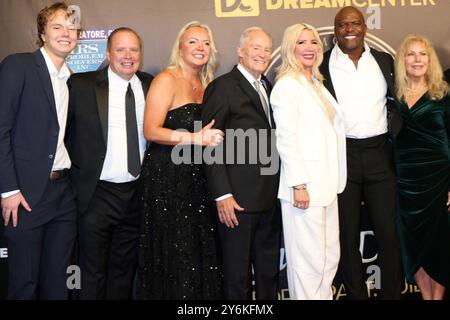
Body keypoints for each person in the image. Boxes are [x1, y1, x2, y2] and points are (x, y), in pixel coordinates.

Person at [319, 6, 403, 299]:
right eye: (342, 25)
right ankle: (355, 295)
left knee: (388, 234)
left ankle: (391, 294)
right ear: (335, 30)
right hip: (343, 157)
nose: (349, 29)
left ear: (364, 27)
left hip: (380, 154)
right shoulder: (322, 65)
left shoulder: (383, 61)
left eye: (355, 23)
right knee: (346, 235)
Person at [136, 21, 224, 300]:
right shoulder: (167, 79)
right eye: (193, 42)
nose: (200, 48)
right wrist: (194, 138)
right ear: (180, 47)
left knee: (200, 252)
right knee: (177, 252)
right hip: (168, 180)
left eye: (206, 43)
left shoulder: (208, 83)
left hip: (199, 179)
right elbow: (151, 130)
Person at [66, 27, 153, 299]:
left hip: (136, 194)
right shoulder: (80, 85)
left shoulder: (151, 85)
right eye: (120, 49)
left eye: (134, 50)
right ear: (108, 53)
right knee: (91, 272)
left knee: (123, 271)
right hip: (96, 195)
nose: (128, 56)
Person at [0, 2, 78, 299]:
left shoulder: (68, 80)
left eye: (71, 27)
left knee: (58, 284)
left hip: (63, 194)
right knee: (24, 284)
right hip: (26, 196)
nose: (66, 33)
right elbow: (1, 130)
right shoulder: (18, 65)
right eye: (57, 26)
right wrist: (8, 190)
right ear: (42, 34)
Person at [202, 27, 281, 300]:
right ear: (240, 50)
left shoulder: (267, 86)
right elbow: (210, 145)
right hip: (237, 203)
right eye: (255, 48)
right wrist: (222, 194)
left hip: (270, 199)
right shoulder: (221, 88)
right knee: (237, 279)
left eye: (267, 49)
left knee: (268, 273)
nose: (262, 54)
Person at [270, 23, 346, 300]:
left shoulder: (316, 83)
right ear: (290, 48)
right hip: (304, 189)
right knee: (307, 264)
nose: (310, 48)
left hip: (327, 187)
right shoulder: (287, 86)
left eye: (314, 42)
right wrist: (299, 184)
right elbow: (286, 140)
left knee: (327, 259)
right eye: (301, 43)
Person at [394, 34, 450, 300]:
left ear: (431, 60)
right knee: (414, 245)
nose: (417, 59)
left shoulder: (444, 94)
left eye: (422, 54)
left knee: (438, 245)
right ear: (403, 61)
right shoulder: (395, 96)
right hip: (406, 184)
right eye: (411, 54)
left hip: (438, 182)